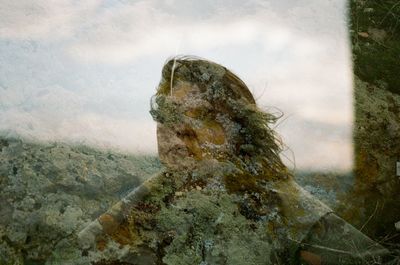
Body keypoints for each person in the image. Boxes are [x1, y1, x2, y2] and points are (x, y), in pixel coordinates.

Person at [77, 56, 388, 265]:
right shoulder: (145, 203)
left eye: (203, 117)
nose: (180, 130)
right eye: (168, 115)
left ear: (240, 134)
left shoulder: (281, 206)